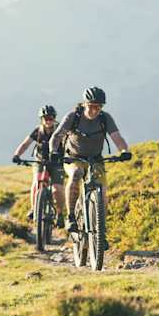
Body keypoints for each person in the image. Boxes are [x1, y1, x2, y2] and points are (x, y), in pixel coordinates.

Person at [49, 87, 131, 233]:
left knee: (103, 195)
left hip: (95, 160)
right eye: (91, 106)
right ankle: (71, 216)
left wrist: (124, 151)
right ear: (84, 104)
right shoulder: (73, 117)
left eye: (98, 107)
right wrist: (54, 151)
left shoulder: (105, 118)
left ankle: (100, 233)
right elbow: (56, 137)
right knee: (76, 175)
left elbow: (117, 138)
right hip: (73, 157)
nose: (95, 110)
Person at [11, 104, 65, 225]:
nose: (48, 120)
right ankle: (34, 208)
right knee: (36, 183)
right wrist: (17, 155)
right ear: (41, 119)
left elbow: (70, 143)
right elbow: (25, 144)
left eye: (50, 118)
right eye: (45, 118)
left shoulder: (60, 130)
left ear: (54, 118)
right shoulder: (38, 131)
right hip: (40, 161)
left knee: (57, 189)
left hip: (57, 162)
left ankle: (60, 214)